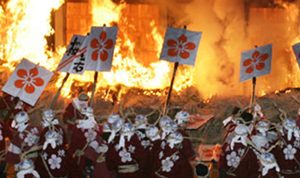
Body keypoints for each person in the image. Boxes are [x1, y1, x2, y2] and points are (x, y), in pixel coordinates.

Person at [6, 111, 40, 178]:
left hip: (26, 164)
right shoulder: (37, 128)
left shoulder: (18, 136)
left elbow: (13, 154)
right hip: (38, 159)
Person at [35, 109, 69, 177]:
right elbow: (65, 141)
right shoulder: (60, 128)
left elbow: (41, 144)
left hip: (48, 155)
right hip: (61, 153)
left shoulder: (45, 130)